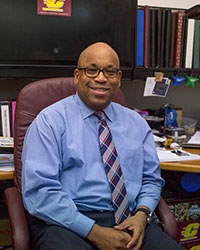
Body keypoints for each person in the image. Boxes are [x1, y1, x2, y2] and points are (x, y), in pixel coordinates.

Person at [22, 42, 185, 250]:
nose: (100, 78)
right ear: (77, 75)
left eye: (109, 72)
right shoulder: (49, 122)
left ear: (118, 78)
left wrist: (142, 215)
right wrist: (94, 231)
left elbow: (151, 180)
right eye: (91, 70)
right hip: (69, 222)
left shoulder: (136, 123)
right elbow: (39, 192)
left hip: (131, 221)